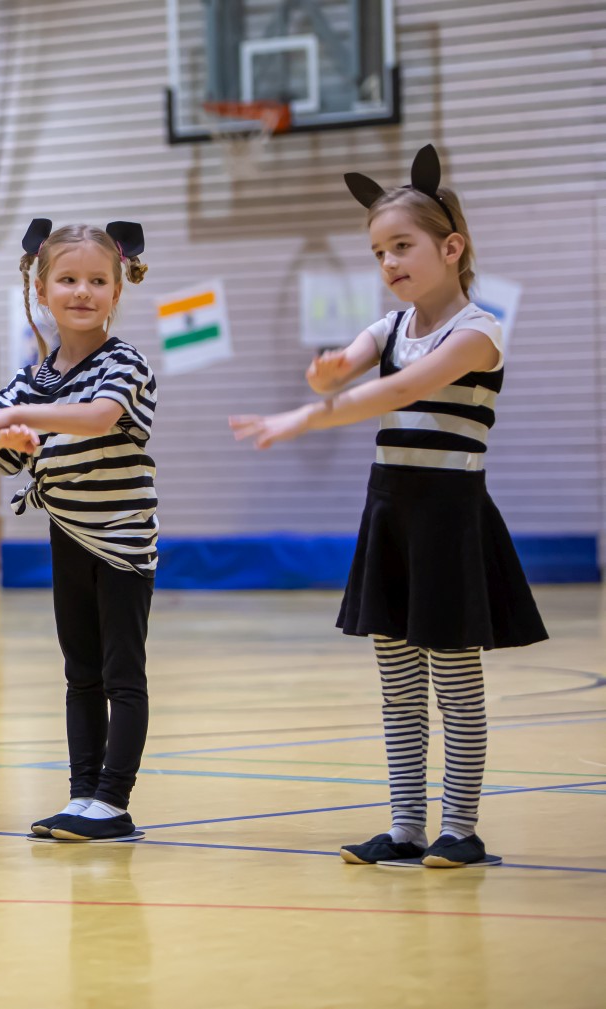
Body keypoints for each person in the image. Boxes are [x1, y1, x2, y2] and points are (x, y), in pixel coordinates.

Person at [229, 145, 546, 868]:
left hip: (450, 518)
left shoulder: (479, 332)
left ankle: (460, 829)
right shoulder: (390, 326)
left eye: (402, 246)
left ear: (451, 247)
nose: (388, 262)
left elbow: (401, 389)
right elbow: (345, 365)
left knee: (456, 686)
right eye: (378, 252)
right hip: (391, 514)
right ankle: (405, 829)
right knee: (399, 687)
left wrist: (307, 415)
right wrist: (326, 374)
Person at [0, 218, 156, 843]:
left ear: (117, 289)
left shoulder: (125, 362)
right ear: (41, 290)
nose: (82, 291)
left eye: (97, 280)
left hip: (121, 540)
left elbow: (97, 417)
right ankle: (83, 794)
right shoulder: (31, 378)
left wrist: (18, 416)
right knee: (80, 672)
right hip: (69, 536)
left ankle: (114, 803)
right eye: (67, 279)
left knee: (122, 675)